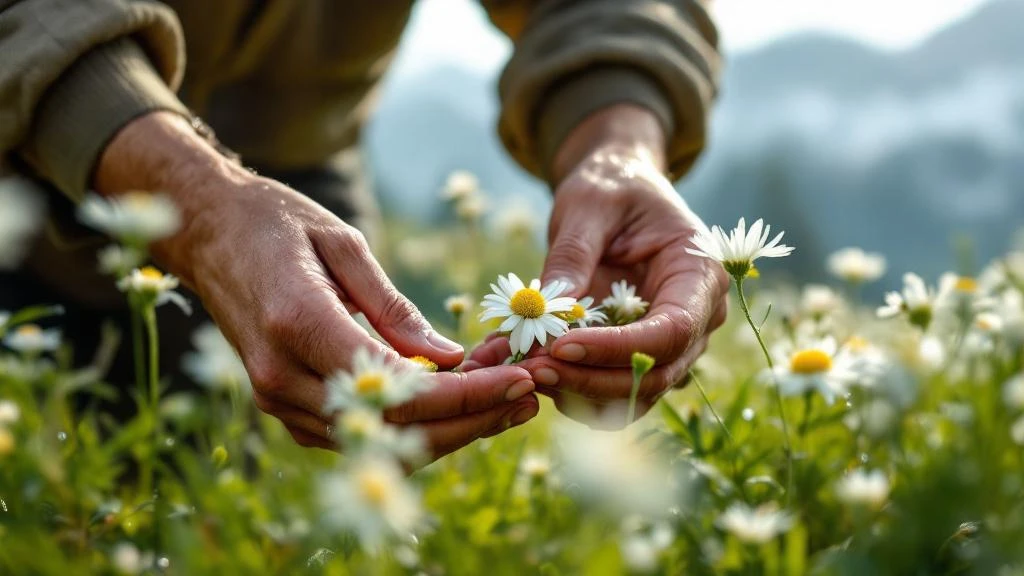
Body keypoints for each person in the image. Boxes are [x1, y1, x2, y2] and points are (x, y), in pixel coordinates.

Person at [0, 0, 728, 462]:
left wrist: (616, 143)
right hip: (19, 184)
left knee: (214, 509)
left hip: (307, 203)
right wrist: (204, 206)